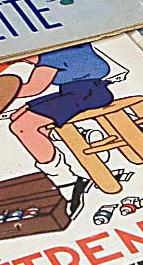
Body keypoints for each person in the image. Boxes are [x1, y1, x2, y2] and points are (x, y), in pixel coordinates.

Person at [9, 43, 114, 218]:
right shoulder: (60, 49)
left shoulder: (51, 56)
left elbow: (33, 88)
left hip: (86, 95)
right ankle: (78, 147)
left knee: (22, 127)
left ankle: (66, 181)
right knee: (18, 116)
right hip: (76, 91)